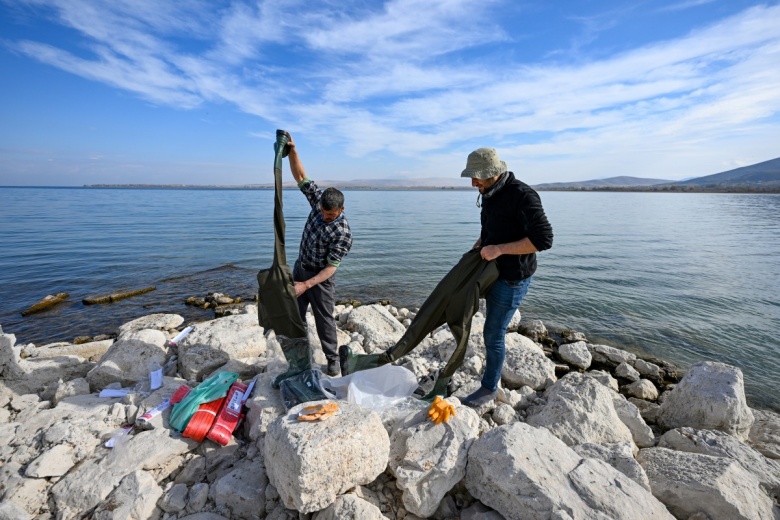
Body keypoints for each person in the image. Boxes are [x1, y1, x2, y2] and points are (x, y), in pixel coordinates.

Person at [459, 147, 553, 407]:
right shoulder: (489, 192)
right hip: (490, 271)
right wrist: (481, 244)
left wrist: (499, 249)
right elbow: (493, 228)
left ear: (494, 173)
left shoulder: (522, 196)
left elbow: (543, 240)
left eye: (477, 176)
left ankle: (489, 388)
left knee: (493, 332)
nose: (472, 182)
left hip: (512, 277)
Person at [285, 134, 353, 377]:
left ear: (341, 210)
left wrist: (307, 284)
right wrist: (293, 150)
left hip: (321, 278)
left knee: (325, 319)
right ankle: (299, 356)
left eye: (330, 215)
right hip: (301, 267)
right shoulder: (318, 202)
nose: (325, 217)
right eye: (323, 213)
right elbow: (301, 177)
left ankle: (332, 359)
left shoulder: (343, 233)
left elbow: (331, 268)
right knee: (294, 315)